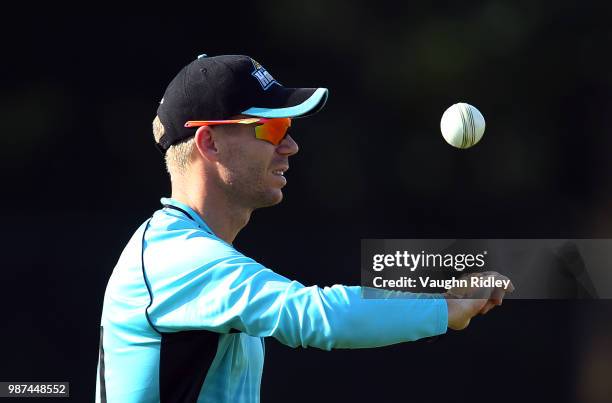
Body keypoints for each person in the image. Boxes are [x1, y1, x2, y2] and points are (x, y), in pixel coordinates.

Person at [95, 54, 512, 403]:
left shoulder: (185, 251)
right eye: (272, 128)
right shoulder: (176, 258)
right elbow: (315, 316)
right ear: (209, 143)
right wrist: (444, 308)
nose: (290, 146)